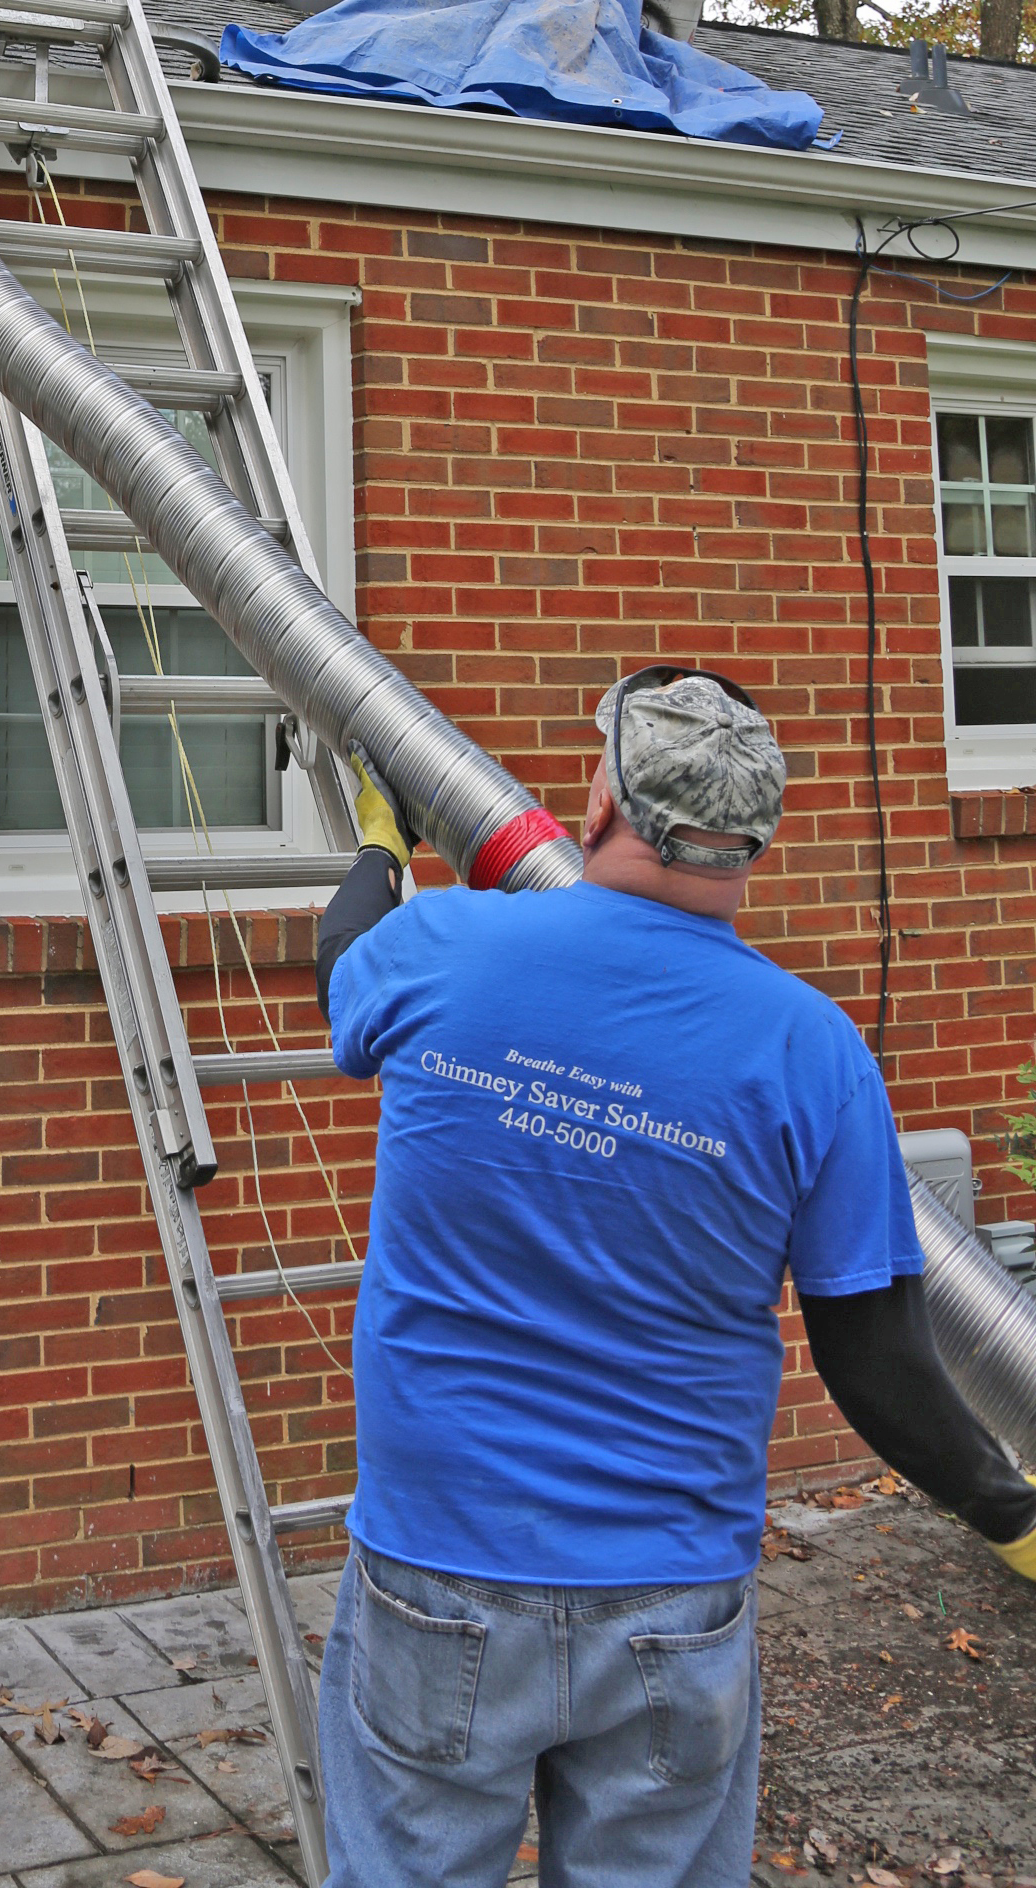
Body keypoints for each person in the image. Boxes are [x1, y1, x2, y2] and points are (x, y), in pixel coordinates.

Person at [318, 669, 1036, 1888]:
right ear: (750, 840)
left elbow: (345, 959)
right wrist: (1010, 1509)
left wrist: (382, 850)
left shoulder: (445, 945)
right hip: (669, 1595)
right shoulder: (810, 1048)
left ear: (598, 800)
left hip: (439, 1564)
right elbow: (877, 1359)